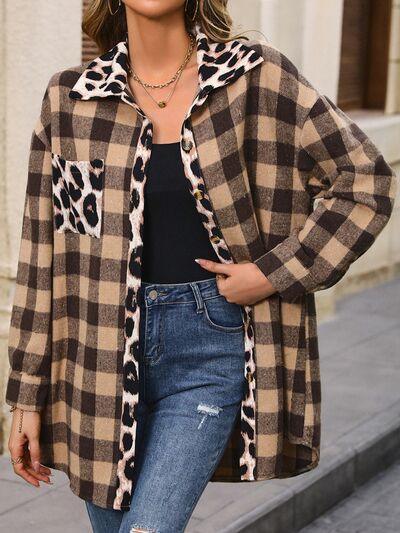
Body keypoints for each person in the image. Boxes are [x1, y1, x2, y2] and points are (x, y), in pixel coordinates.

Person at [5, 1, 397, 532]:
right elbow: (42, 255)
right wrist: (25, 393)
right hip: (95, 361)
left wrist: (273, 272)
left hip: (210, 350)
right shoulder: (71, 98)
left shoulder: (256, 79)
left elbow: (364, 181)